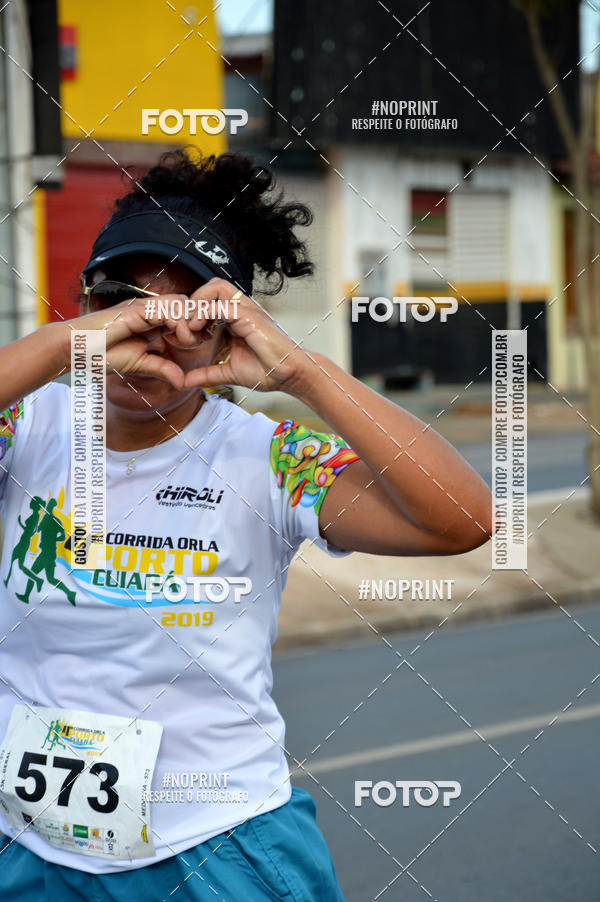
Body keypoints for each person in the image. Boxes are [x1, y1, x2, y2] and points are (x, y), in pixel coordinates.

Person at [0, 149, 492, 901]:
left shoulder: (267, 456)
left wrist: (300, 371)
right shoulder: (27, 428)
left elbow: (462, 519)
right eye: (122, 299)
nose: (150, 331)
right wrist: (71, 343)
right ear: (87, 303)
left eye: (187, 312)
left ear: (230, 330)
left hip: (216, 852)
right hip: (30, 852)